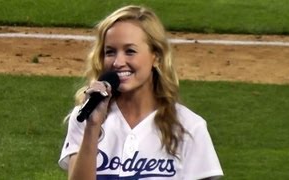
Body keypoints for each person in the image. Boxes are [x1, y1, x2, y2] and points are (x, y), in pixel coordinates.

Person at [58, 5, 223, 180]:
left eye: (130, 51)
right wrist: (92, 127)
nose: (118, 62)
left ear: (156, 57)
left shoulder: (188, 127)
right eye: (110, 52)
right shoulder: (84, 117)